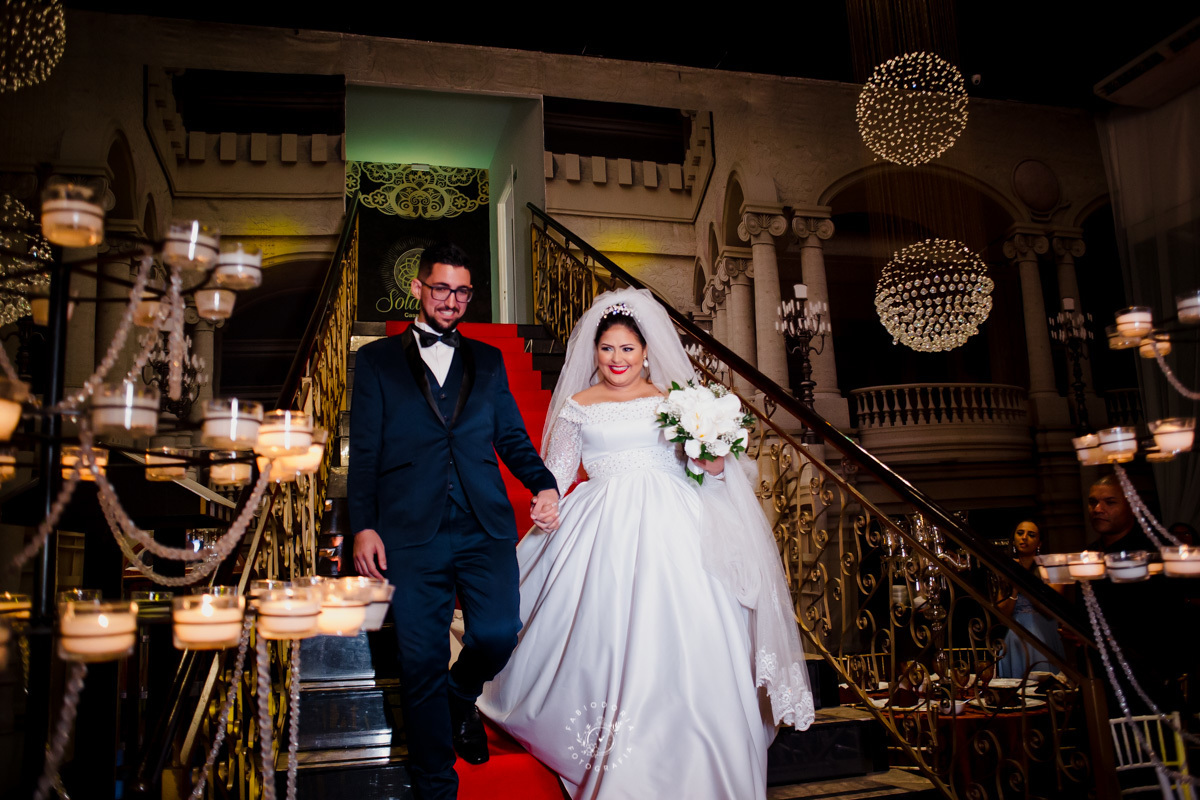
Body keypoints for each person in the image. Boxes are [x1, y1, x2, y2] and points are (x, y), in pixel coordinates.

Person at [477, 288, 814, 799]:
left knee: (696, 633)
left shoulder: (674, 401)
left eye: (627, 350)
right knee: (609, 634)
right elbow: (559, 472)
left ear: (647, 352)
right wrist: (546, 498)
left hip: (676, 520)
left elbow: (705, 467)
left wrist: (712, 459)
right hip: (602, 521)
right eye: (608, 349)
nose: (617, 359)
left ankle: (703, 757)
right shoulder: (577, 406)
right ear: (595, 352)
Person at [348, 242, 561, 800]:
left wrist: (543, 482)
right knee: (419, 662)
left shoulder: (487, 361)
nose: (452, 300)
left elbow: (511, 436)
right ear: (417, 288)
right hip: (407, 531)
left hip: (480, 523)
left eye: (462, 291)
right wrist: (363, 525)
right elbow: (364, 451)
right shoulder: (373, 361)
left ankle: (460, 697)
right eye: (441, 288)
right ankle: (436, 786)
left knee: (496, 633)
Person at [1082, 474, 1183, 713]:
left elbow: (1166, 618)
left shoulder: (1152, 553)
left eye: (1110, 502)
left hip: (1147, 678)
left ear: (1131, 506)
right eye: (1093, 501)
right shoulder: (1088, 555)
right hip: (1099, 675)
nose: (1098, 508)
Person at [994, 519, 1064, 679]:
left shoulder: (1051, 569)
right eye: (1020, 533)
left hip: (1042, 637)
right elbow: (1002, 618)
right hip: (1014, 639)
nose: (1024, 537)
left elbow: (1051, 610)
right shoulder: (1006, 571)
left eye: (1031, 535)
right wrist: (1014, 588)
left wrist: (1026, 578)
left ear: (1039, 543)